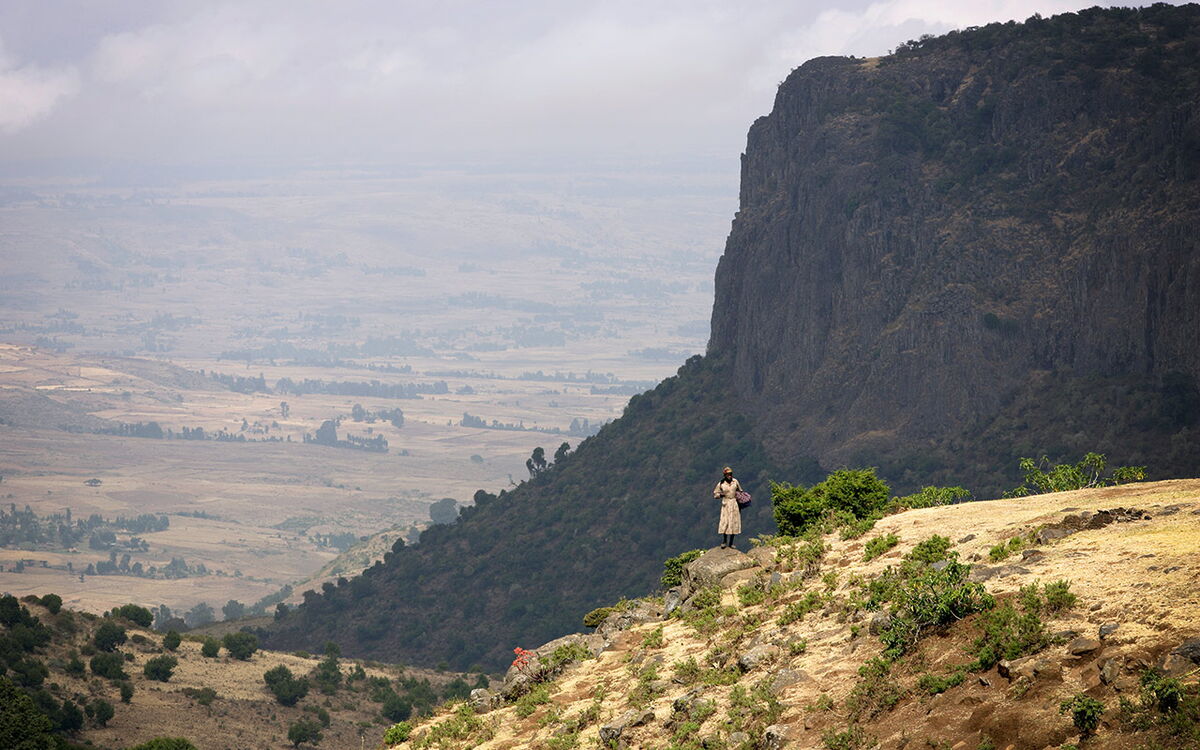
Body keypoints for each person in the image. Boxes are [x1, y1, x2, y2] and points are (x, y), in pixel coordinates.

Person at [714, 466, 744, 549]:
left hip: (734, 503)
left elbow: (740, 490)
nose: (729, 476)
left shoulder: (735, 482)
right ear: (725, 475)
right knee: (725, 522)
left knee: (733, 522)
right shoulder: (721, 483)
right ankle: (724, 541)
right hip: (726, 503)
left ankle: (731, 543)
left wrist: (740, 498)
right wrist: (720, 495)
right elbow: (715, 494)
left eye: (730, 474)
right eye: (728, 474)